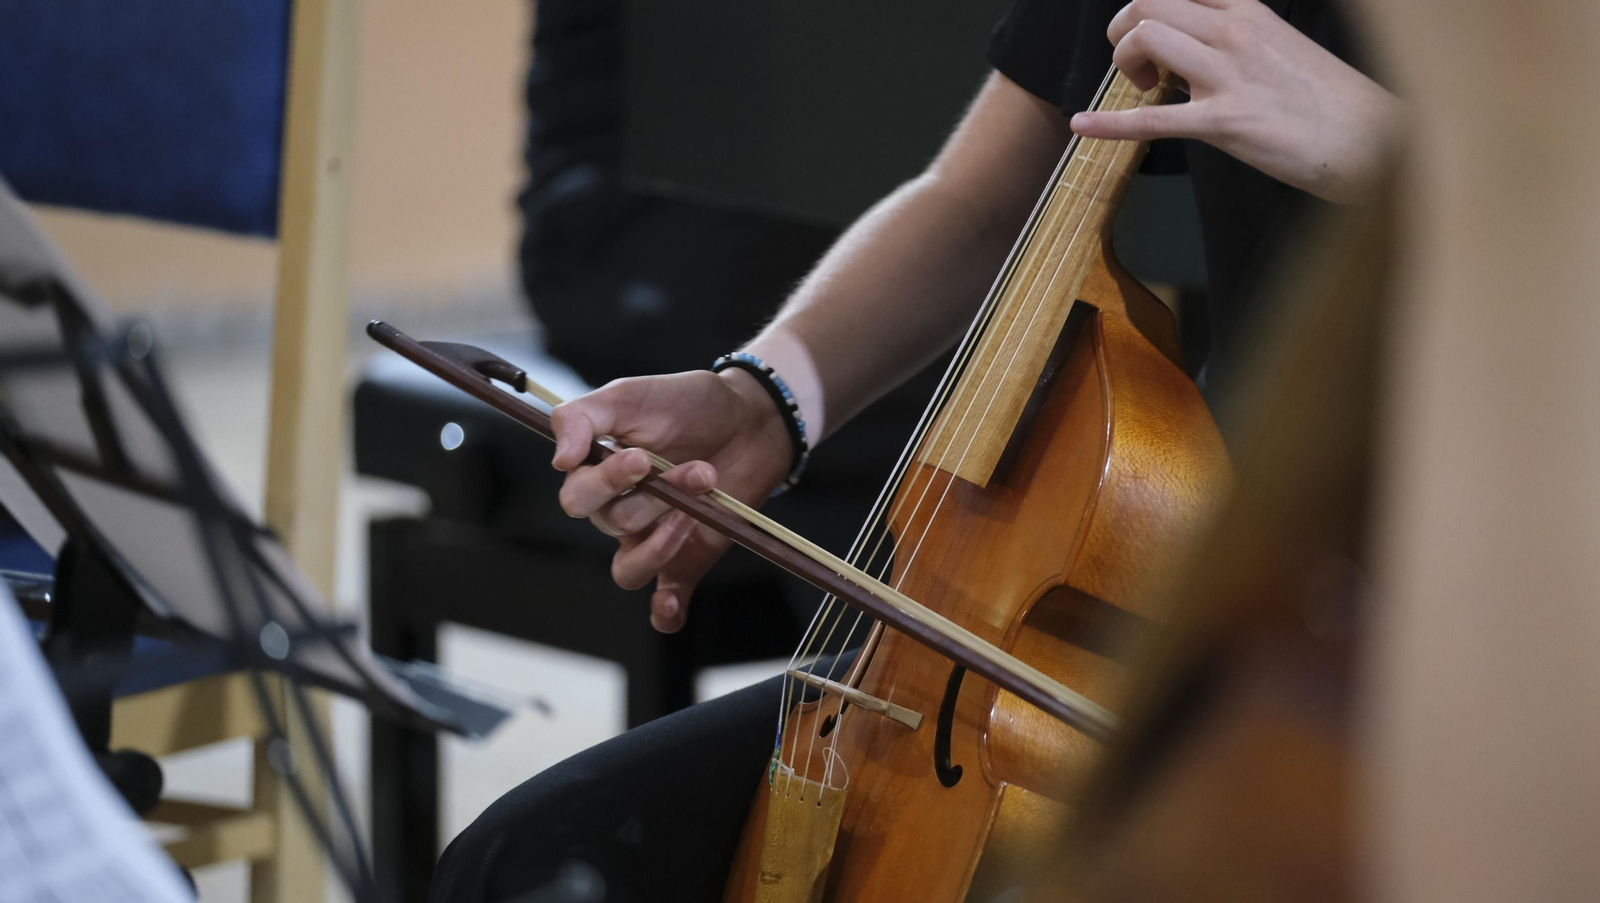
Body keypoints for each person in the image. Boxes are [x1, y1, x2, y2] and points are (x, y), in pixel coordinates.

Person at [431, 1, 1403, 900]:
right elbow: (981, 196)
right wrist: (764, 398)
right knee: (526, 865)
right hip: (1239, 601)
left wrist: (1384, 148)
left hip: (1479, 633)